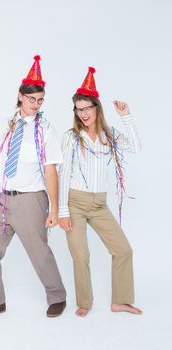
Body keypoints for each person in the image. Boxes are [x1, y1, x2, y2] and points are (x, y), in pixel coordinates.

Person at [0, 55, 66, 321]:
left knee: (39, 251)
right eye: (31, 98)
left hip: (30, 200)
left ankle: (57, 296)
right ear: (21, 97)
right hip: (3, 200)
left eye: (40, 100)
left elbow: (51, 170)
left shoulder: (45, 129)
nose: (36, 104)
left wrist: (54, 210)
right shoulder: (6, 125)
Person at [58, 67, 142, 317]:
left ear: (97, 108)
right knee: (81, 256)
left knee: (123, 249)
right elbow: (63, 175)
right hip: (75, 202)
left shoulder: (109, 135)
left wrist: (126, 116)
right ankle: (85, 302)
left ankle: (121, 301)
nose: (83, 113)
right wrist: (63, 210)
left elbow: (136, 147)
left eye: (87, 108)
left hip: (99, 205)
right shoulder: (72, 138)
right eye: (78, 109)